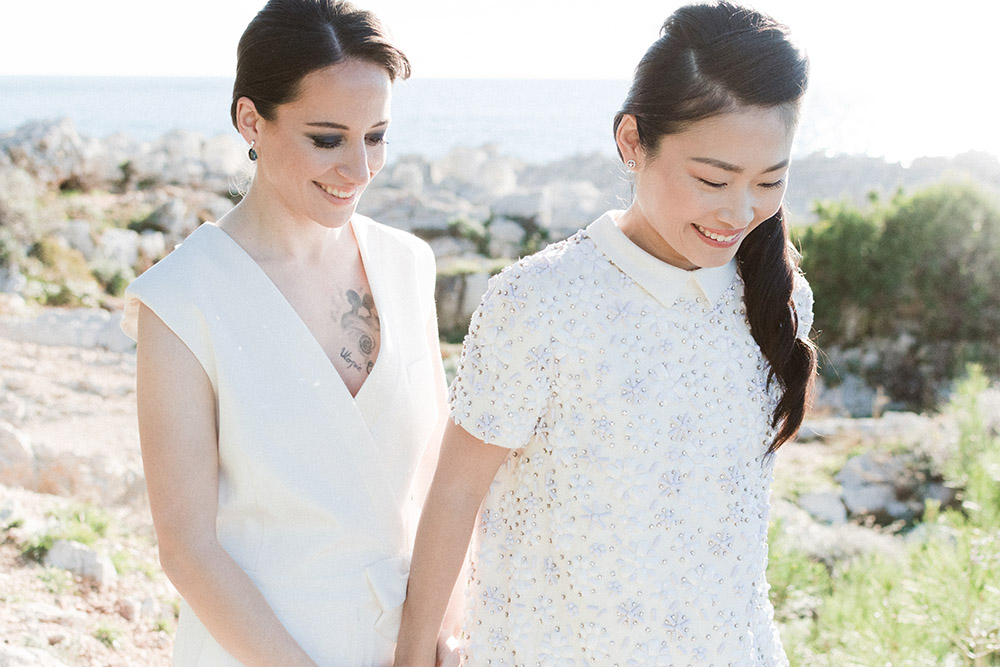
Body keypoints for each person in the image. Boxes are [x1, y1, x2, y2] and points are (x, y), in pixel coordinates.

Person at [393, 2, 818, 664]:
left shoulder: (779, 301)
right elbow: (454, 493)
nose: (740, 211)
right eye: (712, 178)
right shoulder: (539, 302)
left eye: (770, 180)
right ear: (631, 142)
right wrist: (416, 649)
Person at [120, 1, 449, 664]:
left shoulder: (408, 263)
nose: (358, 169)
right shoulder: (180, 297)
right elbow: (187, 546)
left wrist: (436, 631)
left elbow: (436, 475)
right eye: (327, 138)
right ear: (251, 119)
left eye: (377, 135)